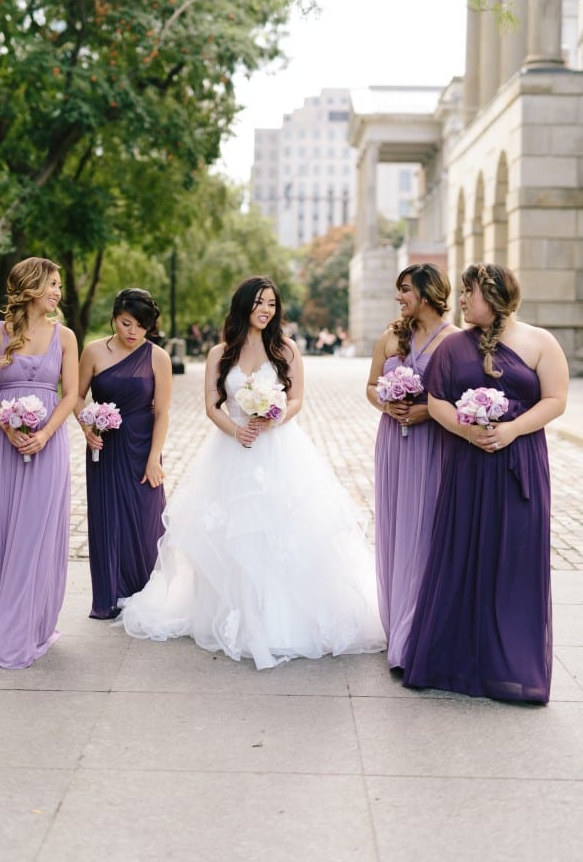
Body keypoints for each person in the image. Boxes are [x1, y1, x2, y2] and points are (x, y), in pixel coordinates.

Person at [118, 276, 385, 669]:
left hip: (279, 447)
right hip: (233, 448)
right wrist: (237, 429)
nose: (265, 310)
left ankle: (279, 619)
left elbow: (296, 400)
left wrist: (273, 418)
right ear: (244, 304)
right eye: (259, 302)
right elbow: (212, 405)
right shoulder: (220, 353)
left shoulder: (286, 349)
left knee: (281, 531)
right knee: (233, 531)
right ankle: (235, 613)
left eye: (272, 304)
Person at [403, 263, 569, 703]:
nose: (460, 300)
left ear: (493, 296)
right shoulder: (453, 346)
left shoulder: (540, 342)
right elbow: (435, 401)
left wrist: (513, 429)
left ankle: (511, 665)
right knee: (463, 553)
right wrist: (466, 430)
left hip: (520, 463)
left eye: (468, 292)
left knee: (514, 558)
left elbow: (556, 400)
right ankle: (454, 658)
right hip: (468, 465)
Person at [0, 257, 78, 668]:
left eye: (59, 286)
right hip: (6, 444)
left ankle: (29, 627)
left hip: (48, 444)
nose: (57, 292)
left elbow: (69, 393)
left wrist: (45, 433)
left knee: (36, 533)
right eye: (51, 284)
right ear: (31, 287)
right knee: (5, 531)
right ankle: (3, 621)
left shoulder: (65, 337)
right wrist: (9, 426)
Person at [366, 264, 458, 670]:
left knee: (425, 530)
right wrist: (386, 402)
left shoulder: (456, 341)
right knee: (395, 527)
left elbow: (466, 396)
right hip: (393, 443)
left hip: (434, 444)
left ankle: (418, 629)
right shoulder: (390, 336)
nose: (399, 297)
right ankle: (395, 625)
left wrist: (426, 411)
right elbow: (370, 386)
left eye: (405, 290)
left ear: (426, 293)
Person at [76, 288, 172, 619]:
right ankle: (109, 595)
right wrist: (86, 428)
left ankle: (146, 594)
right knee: (107, 519)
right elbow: (75, 398)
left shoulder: (158, 357)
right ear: (115, 317)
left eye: (141, 326)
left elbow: (161, 413)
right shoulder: (92, 352)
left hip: (143, 447)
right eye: (126, 323)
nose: (133, 333)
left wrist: (154, 458)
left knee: (146, 521)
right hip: (104, 447)